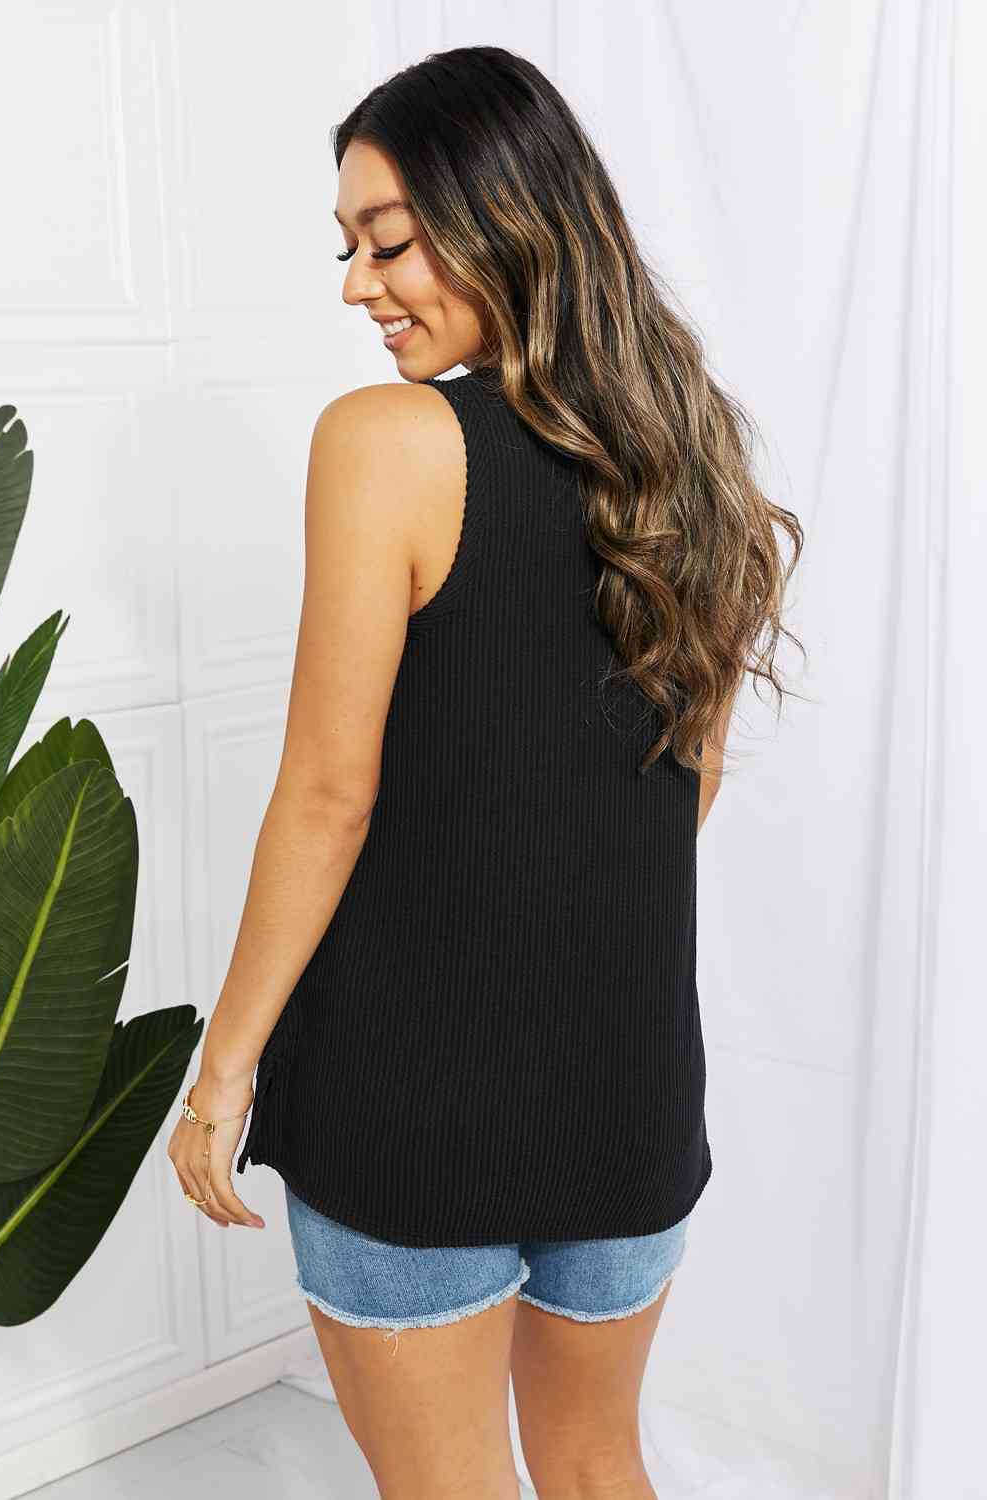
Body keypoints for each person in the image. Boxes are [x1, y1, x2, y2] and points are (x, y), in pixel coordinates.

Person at [167, 45, 804, 1500]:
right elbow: (686, 787)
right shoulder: (689, 459)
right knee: (596, 1468)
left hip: (413, 1094)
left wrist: (224, 1071)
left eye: (387, 242)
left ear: (504, 217)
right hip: (630, 1085)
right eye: (347, 248)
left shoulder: (386, 442)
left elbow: (328, 794)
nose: (357, 285)